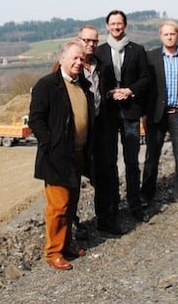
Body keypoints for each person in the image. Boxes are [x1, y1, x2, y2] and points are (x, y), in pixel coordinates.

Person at [29, 41, 94, 270]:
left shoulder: (82, 85)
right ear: (62, 58)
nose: (78, 63)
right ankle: (53, 252)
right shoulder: (47, 85)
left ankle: (66, 245)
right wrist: (51, 145)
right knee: (58, 207)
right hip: (57, 157)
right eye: (74, 58)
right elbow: (36, 119)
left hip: (77, 154)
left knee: (71, 204)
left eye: (81, 59)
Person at [95, 10, 150, 229]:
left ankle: (135, 205)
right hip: (108, 113)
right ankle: (113, 207)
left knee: (131, 161)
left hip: (130, 111)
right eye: (113, 23)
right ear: (107, 26)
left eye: (120, 23)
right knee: (109, 162)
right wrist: (110, 92)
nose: (117, 27)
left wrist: (129, 90)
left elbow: (146, 78)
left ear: (125, 25)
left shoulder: (137, 50)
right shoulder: (99, 52)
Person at [141, 20, 178, 210]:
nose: (169, 37)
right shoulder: (150, 57)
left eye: (172, 34)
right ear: (161, 36)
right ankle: (146, 194)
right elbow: (145, 87)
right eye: (166, 34)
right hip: (156, 115)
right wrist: (143, 114)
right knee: (152, 156)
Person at [72, 24, 102, 241]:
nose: (90, 44)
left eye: (94, 41)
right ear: (79, 40)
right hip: (74, 138)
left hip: (97, 134)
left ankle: (103, 219)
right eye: (86, 41)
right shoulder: (68, 66)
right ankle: (73, 226)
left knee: (100, 178)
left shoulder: (100, 65)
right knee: (72, 183)